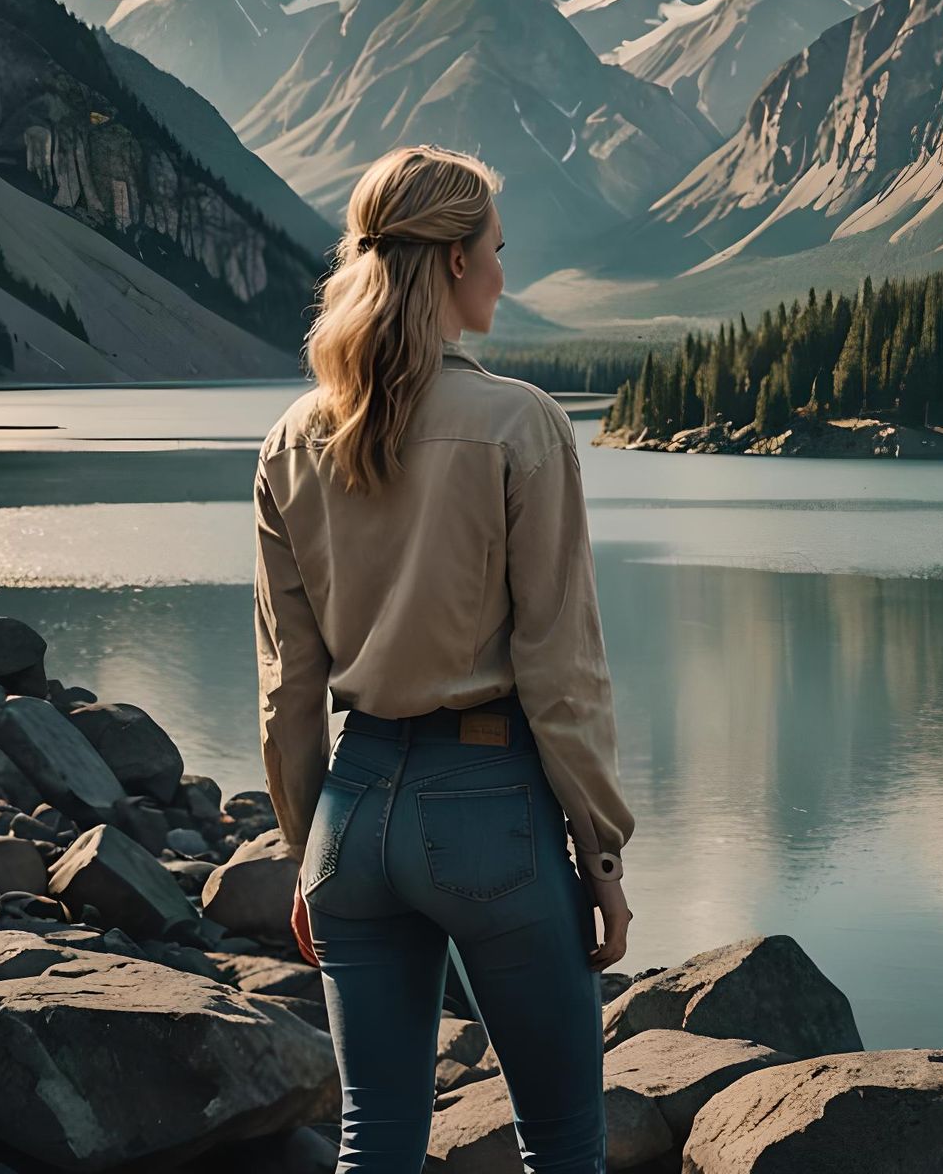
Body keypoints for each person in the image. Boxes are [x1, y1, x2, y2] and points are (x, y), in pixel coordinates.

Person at [252, 143, 636, 1172]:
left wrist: (307, 850)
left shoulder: (290, 440)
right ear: (456, 261)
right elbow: (561, 670)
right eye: (496, 251)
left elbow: (289, 688)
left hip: (352, 812)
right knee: (562, 1143)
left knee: (373, 1141)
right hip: (489, 811)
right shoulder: (523, 424)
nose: (503, 275)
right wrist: (600, 854)